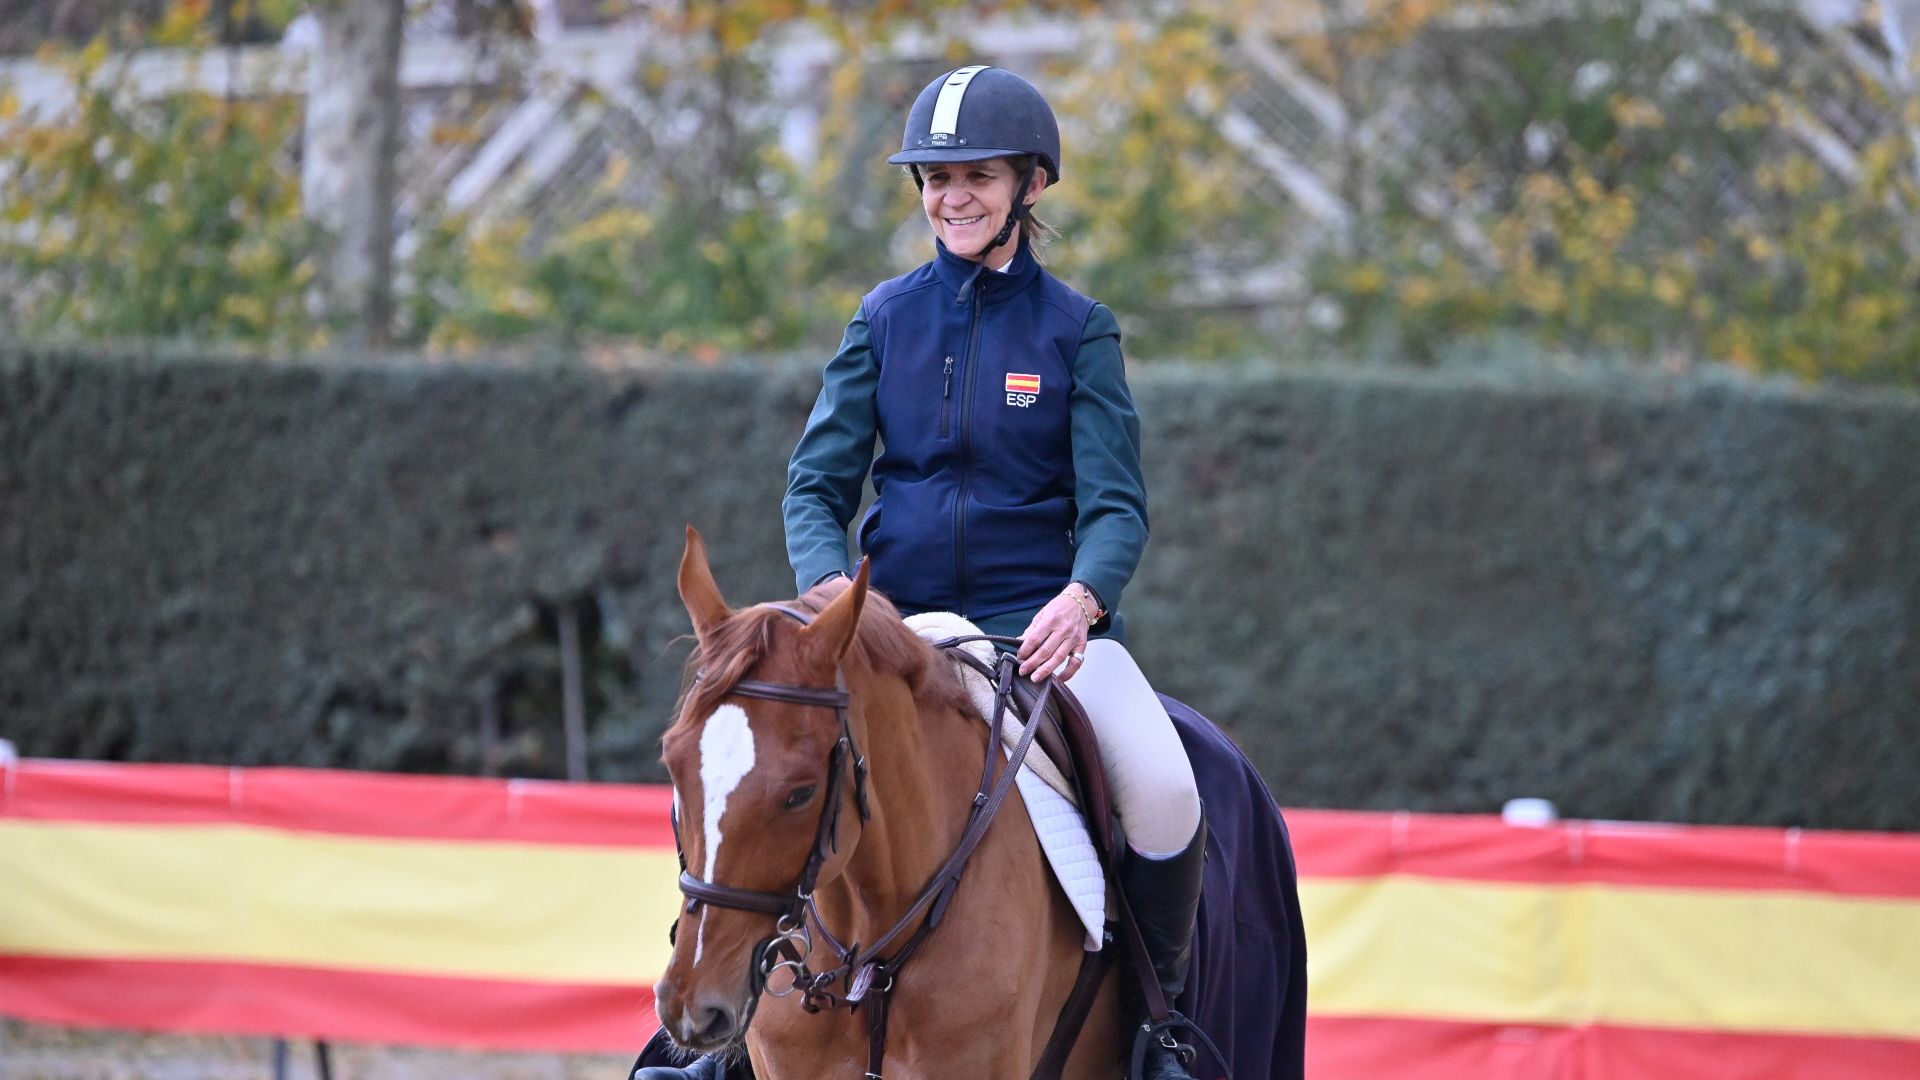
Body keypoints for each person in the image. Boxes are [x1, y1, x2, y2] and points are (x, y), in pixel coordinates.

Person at [637, 65, 1207, 1080]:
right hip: (892, 629)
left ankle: (1156, 1033)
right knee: (756, 770)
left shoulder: (1079, 330)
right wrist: (829, 595)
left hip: (1038, 634)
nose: (952, 197)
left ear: (1031, 184)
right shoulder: (885, 318)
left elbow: (1116, 506)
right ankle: (720, 1035)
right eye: (937, 179)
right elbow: (815, 485)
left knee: (1165, 791)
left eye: (976, 176)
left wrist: (1083, 598)